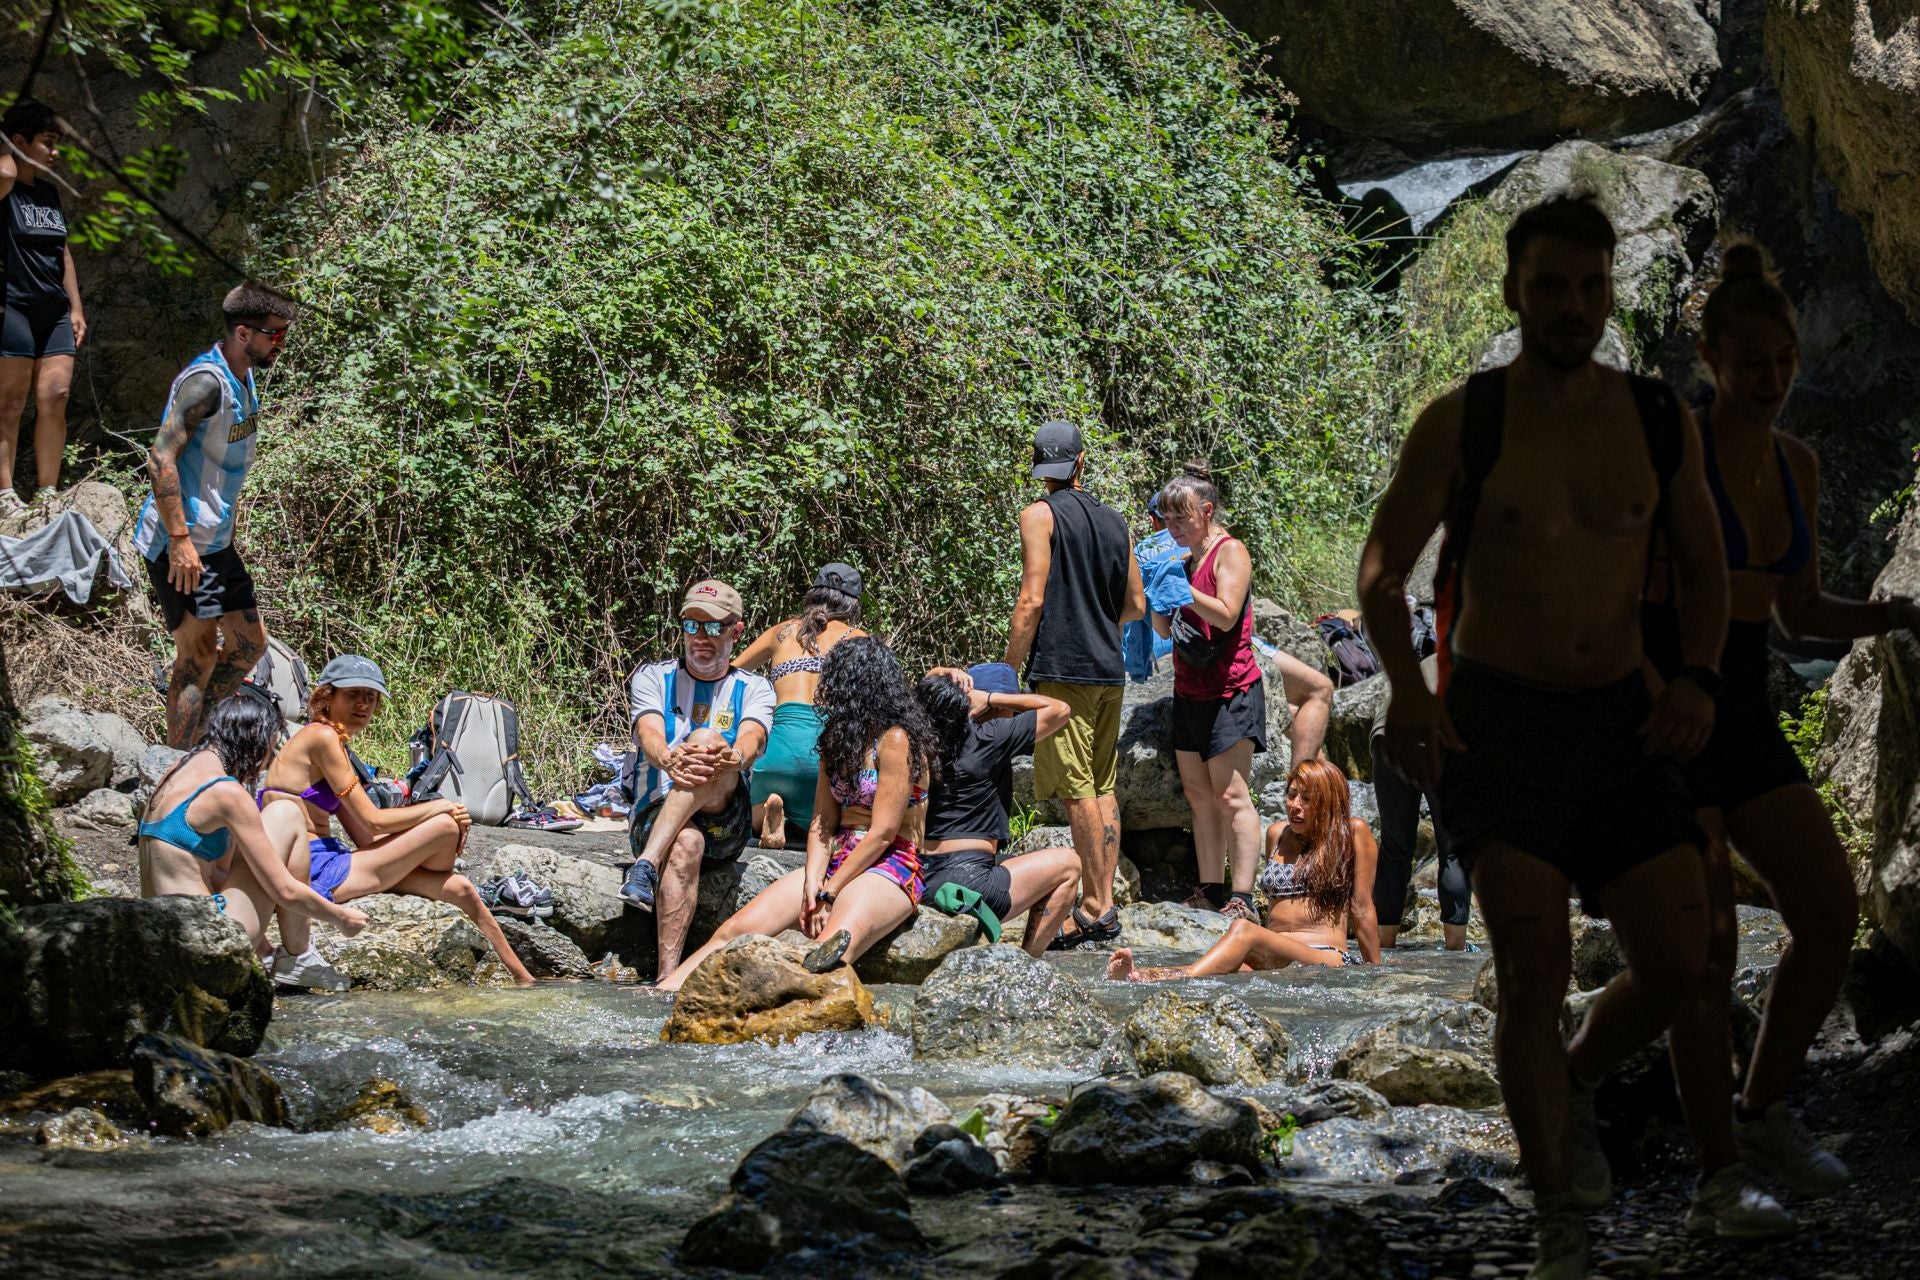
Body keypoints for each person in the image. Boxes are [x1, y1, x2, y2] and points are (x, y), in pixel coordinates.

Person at [1356, 193, 1737, 1279]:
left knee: (1683, 955)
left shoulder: (1658, 418)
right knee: (1531, 964)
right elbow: (1383, 572)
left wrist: (1702, 677)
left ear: (1611, 291)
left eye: (1591, 285)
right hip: (1499, 722)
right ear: (1514, 289)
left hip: (1622, 714)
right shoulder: (1463, 421)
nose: (1573, 305)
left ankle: (1573, 1072)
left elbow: (1707, 569)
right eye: (1552, 285)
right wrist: (1412, 692)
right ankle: (1558, 1208)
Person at [1649, 242, 1920, 1231]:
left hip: (1750, 707)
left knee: (1830, 905)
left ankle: (1761, 1111)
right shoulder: (1674, 446)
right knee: (1706, 944)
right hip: (1673, 708)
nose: (1769, 379)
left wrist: (1892, 614)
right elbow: (1628, 587)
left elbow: (1801, 613)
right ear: (1714, 356)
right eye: (1750, 360)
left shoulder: (1799, 463)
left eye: (1783, 363)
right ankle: (1716, 1175)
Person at [656, 636, 937, 992]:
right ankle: (658, 1001)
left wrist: (829, 893)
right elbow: (823, 823)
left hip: (890, 861)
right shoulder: (838, 740)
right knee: (733, 932)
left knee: (826, 955)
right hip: (838, 854)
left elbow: (883, 832)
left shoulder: (897, 739)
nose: (825, 692)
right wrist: (811, 884)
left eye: (833, 683)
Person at [258, 655, 535, 987]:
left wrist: (424, 833)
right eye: (353, 695)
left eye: (371, 698)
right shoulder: (321, 737)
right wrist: (441, 808)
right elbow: (373, 821)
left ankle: (524, 978)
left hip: (334, 858)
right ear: (326, 697)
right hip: (314, 867)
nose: (363, 705)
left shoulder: (333, 743)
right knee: (445, 825)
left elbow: (363, 835)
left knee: (460, 886)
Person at [131, 282, 296, 748]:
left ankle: (201, 730)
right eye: (274, 334)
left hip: (215, 542)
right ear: (244, 333)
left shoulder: (244, 376)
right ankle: (176, 762)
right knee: (197, 656)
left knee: (249, 644)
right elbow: (161, 457)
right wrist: (180, 540)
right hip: (179, 544)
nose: (279, 343)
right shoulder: (205, 383)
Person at [1002, 418, 1145, 950]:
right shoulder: (1116, 522)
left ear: (1041, 468)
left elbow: (1031, 599)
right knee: (1101, 785)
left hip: (1062, 672)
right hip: (1109, 671)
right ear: (1081, 463)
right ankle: (1104, 905)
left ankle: (1094, 905)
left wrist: (1006, 672)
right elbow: (1135, 605)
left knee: (1078, 790)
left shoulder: (1038, 515)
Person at [139, 686, 370, 974]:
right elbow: (284, 890)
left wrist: (264, 950)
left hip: (161, 936)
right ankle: (300, 957)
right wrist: (341, 918)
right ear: (254, 742)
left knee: (269, 830)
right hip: (206, 941)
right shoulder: (227, 794)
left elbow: (213, 875)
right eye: (270, 748)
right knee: (286, 813)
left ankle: (281, 957)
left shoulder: (177, 771)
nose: (268, 759)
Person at [619, 579, 775, 978]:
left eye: (713, 627)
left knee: (707, 740)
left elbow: (753, 738)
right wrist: (668, 758)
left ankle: (646, 864)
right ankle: (667, 980)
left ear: (736, 632)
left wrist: (733, 755)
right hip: (656, 812)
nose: (700, 638)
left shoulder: (754, 687)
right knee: (686, 841)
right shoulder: (654, 677)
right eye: (692, 626)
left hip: (725, 819)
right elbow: (649, 732)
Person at [1107, 759, 1380, 979]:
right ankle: (1139, 975)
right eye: (1292, 795)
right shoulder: (1277, 834)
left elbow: (1362, 907)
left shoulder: (1352, 833)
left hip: (1323, 953)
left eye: (1307, 799)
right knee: (1218, 970)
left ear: (1328, 802)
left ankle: (1180, 975)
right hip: (1272, 952)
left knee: (1243, 930)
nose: (1295, 806)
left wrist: (1376, 973)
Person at [1148, 466, 1266, 924]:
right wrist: (1159, 597)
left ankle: (1243, 895)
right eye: (1168, 520)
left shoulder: (1229, 552)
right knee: (1199, 796)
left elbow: (1225, 614)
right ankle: (1210, 889)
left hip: (1230, 690)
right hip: (1189, 690)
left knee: (1232, 796)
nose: (1173, 528)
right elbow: (1165, 629)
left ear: (1207, 511)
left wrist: (1185, 593)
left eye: (1182, 519)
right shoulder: (1184, 558)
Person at [914, 663, 1079, 955]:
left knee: (1011, 861)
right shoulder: (989, 737)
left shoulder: (920, 740)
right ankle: (1026, 964)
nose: (1014, 714)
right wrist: (990, 698)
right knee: (1068, 865)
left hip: (921, 876)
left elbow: (921, 688)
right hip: (970, 879)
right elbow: (1060, 709)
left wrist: (942, 673)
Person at [732, 561, 866, 848]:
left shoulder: (782, 632)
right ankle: (811, 829)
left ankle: (766, 813)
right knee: (831, 824)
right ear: (853, 604)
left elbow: (730, 673)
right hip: (822, 756)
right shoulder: (858, 640)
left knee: (750, 813)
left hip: (776, 755)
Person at [0, 100, 84, 518]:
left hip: (53, 310)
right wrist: (9, 150)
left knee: (56, 395)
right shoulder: (5, 185)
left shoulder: (49, 193)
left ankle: (48, 493)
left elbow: (62, 252)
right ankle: (5, 495)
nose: (56, 153)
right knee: (10, 402)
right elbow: (3, 171)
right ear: (19, 142)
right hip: (11, 306)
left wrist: (76, 307)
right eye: (48, 143)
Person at [1370, 654, 1474, 951]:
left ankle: (1384, 945)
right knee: (1453, 849)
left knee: (1395, 847)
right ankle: (1456, 949)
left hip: (1387, 732)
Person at [1121, 493, 1180, 682]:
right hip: (1191, 639)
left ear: (1152, 520)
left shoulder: (1143, 551)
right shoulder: (1193, 543)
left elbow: (1134, 604)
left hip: (1155, 644)